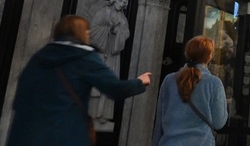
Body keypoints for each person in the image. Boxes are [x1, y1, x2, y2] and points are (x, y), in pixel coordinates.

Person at [8, 15, 151, 145]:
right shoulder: (84, 57)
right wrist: (139, 82)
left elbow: (20, 99)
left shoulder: (39, 57)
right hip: (65, 135)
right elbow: (115, 89)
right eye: (88, 32)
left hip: (27, 135)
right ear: (82, 34)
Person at [152, 36, 228, 145]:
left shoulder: (169, 80)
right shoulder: (213, 83)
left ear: (187, 53)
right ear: (209, 57)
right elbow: (219, 122)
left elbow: (159, 120)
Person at [88, 0, 132, 124]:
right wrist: (108, 29)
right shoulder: (103, 12)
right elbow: (93, 29)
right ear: (114, 0)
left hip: (113, 55)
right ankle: (90, 113)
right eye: (120, 1)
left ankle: (103, 114)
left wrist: (119, 32)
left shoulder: (123, 18)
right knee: (97, 83)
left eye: (124, 2)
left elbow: (126, 33)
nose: (122, 4)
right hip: (100, 53)